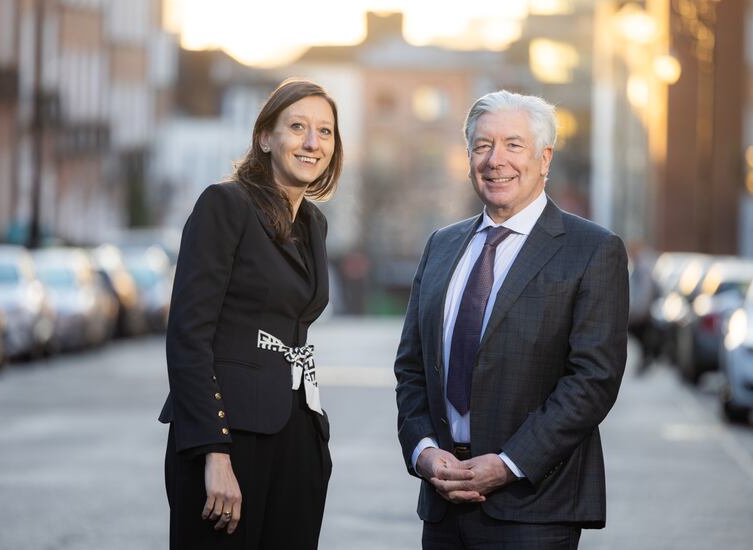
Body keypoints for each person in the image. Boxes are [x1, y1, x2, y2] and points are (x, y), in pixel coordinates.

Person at [394, 90, 629, 549]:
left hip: (533, 509)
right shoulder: (441, 245)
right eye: (482, 146)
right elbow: (412, 368)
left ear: (544, 159)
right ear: (468, 159)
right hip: (442, 503)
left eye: (513, 145)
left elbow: (593, 380)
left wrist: (507, 464)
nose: (495, 160)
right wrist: (423, 451)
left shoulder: (592, 250)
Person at [159, 78, 343, 550]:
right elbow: (188, 335)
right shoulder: (225, 205)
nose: (312, 142)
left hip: (297, 433)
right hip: (230, 435)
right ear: (265, 137)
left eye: (324, 131)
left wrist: (314, 441)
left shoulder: (313, 223)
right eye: (297, 127)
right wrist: (213, 451)